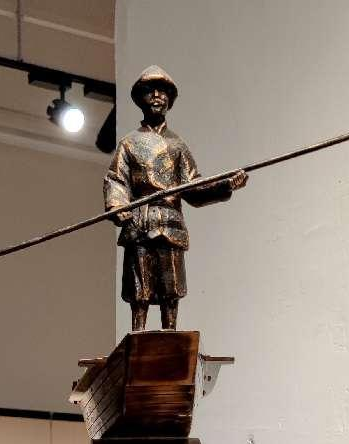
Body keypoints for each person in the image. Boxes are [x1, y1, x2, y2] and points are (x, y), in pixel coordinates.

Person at [104, 66, 248, 331]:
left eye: (163, 91)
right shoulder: (129, 142)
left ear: (170, 99)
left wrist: (225, 185)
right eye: (150, 91)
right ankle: (138, 335)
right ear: (140, 98)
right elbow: (116, 179)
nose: (157, 96)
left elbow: (193, 186)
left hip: (170, 223)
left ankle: (170, 334)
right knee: (140, 288)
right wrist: (118, 205)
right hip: (140, 222)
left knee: (171, 288)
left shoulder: (177, 145)